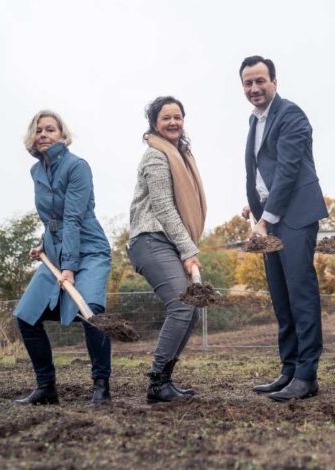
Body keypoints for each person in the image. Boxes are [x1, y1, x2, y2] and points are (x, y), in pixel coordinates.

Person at [239, 55, 328, 402]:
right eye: (248, 82)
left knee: (300, 293)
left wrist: (266, 218)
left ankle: (307, 375)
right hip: (269, 217)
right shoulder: (254, 119)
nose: (254, 88)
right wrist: (257, 204)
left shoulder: (291, 114)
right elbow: (266, 169)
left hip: (294, 217)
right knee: (280, 295)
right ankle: (289, 368)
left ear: (274, 82)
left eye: (260, 80)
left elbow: (290, 170)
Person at [14, 110, 112, 406]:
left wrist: (68, 267)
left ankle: (101, 386)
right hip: (55, 252)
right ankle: (46, 387)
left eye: (50, 130)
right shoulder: (37, 171)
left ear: (62, 135)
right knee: (26, 316)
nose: (43, 135)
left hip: (89, 248)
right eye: (39, 130)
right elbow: (51, 220)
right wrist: (42, 245)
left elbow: (72, 219)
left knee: (91, 312)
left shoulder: (77, 166)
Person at [127, 96, 207, 403]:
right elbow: (162, 207)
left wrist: (185, 247)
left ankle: (165, 382)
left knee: (192, 312)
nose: (173, 122)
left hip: (169, 242)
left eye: (178, 117)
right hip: (150, 239)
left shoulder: (180, 155)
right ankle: (156, 382)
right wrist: (189, 250)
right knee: (182, 305)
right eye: (166, 118)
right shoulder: (156, 157)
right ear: (154, 124)